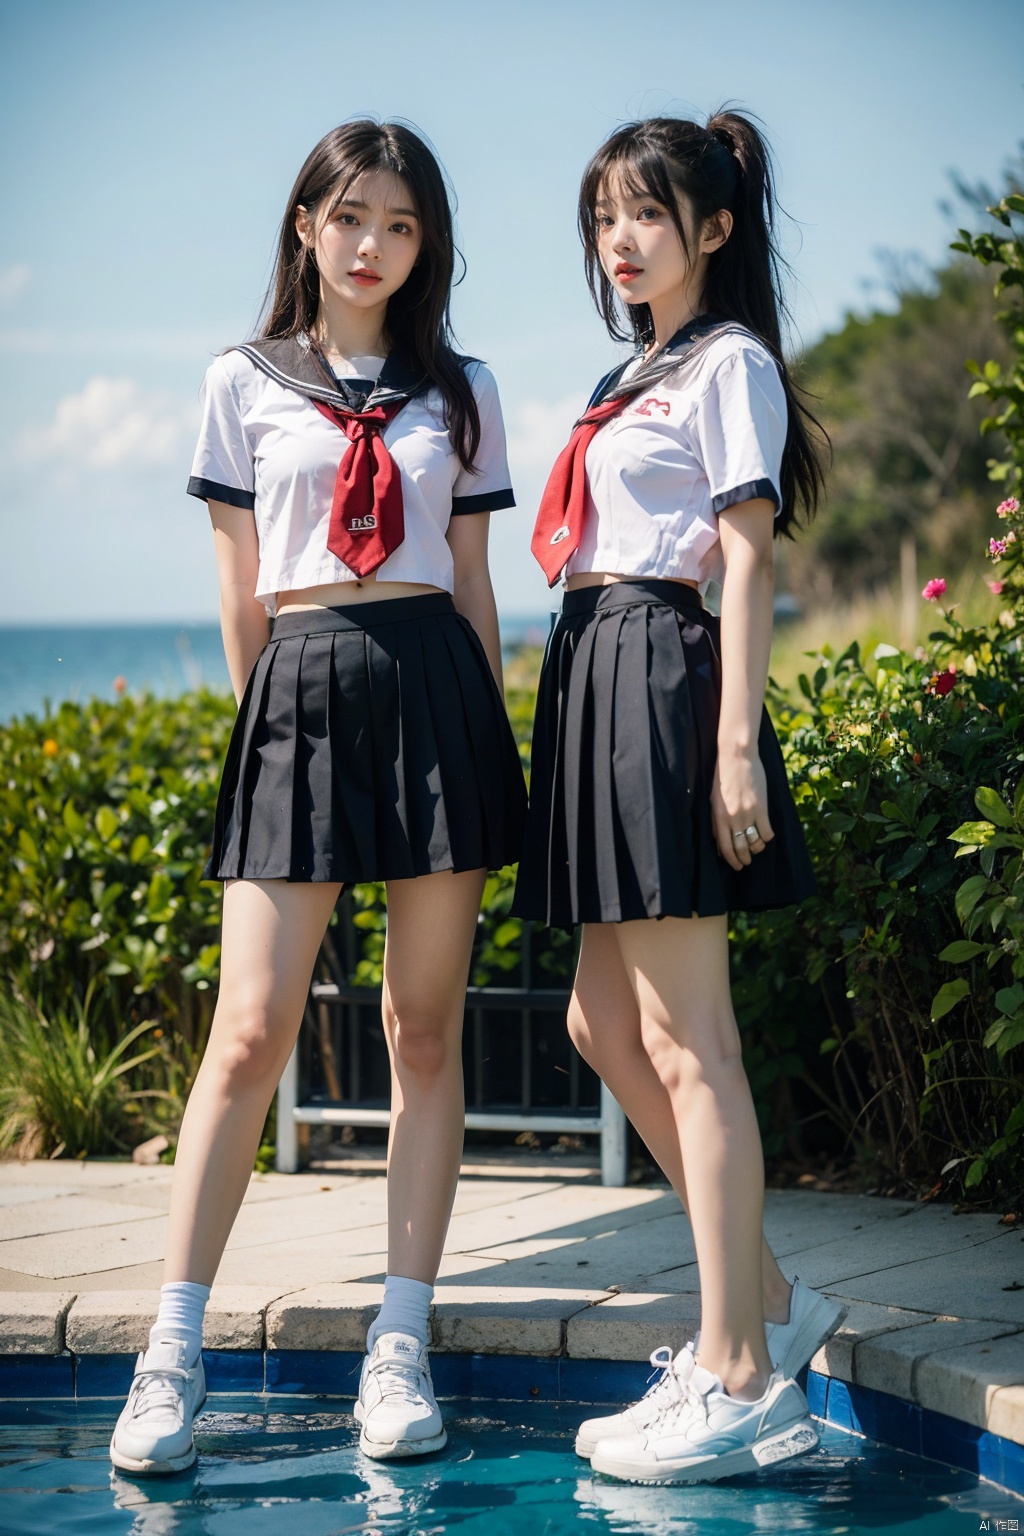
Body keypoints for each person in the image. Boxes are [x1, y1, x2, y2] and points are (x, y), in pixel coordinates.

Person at [110, 119, 526, 1475]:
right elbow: (241, 587)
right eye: (351, 218)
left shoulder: (460, 389)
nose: (372, 246)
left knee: (420, 1033)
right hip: (296, 687)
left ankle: (398, 1346)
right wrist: (264, 725)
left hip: (434, 690)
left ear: (426, 246)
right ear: (305, 225)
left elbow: (471, 582)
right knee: (250, 1029)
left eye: (400, 226)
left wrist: (493, 735)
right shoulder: (240, 382)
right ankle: (169, 1355)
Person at [512, 109, 843, 1484]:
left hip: (661, 664)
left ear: (712, 228)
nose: (621, 239)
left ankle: (742, 1371)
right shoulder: (632, 370)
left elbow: (748, 558)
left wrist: (734, 740)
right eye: (605, 218)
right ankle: (760, 1300)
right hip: (590, 666)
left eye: (646, 213)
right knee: (603, 1020)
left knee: (689, 1034)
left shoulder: (730, 366)